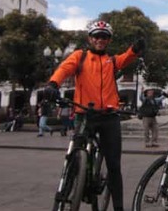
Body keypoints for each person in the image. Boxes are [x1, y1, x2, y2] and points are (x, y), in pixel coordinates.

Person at [44, 20, 144, 211]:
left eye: (104, 37)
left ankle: (119, 208)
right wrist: (53, 84)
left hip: (109, 116)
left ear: (108, 40)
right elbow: (64, 68)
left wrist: (135, 49)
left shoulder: (111, 61)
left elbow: (125, 58)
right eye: (97, 36)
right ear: (90, 38)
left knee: (114, 164)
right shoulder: (80, 56)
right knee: (76, 151)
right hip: (85, 113)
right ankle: (73, 180)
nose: (100, 40)